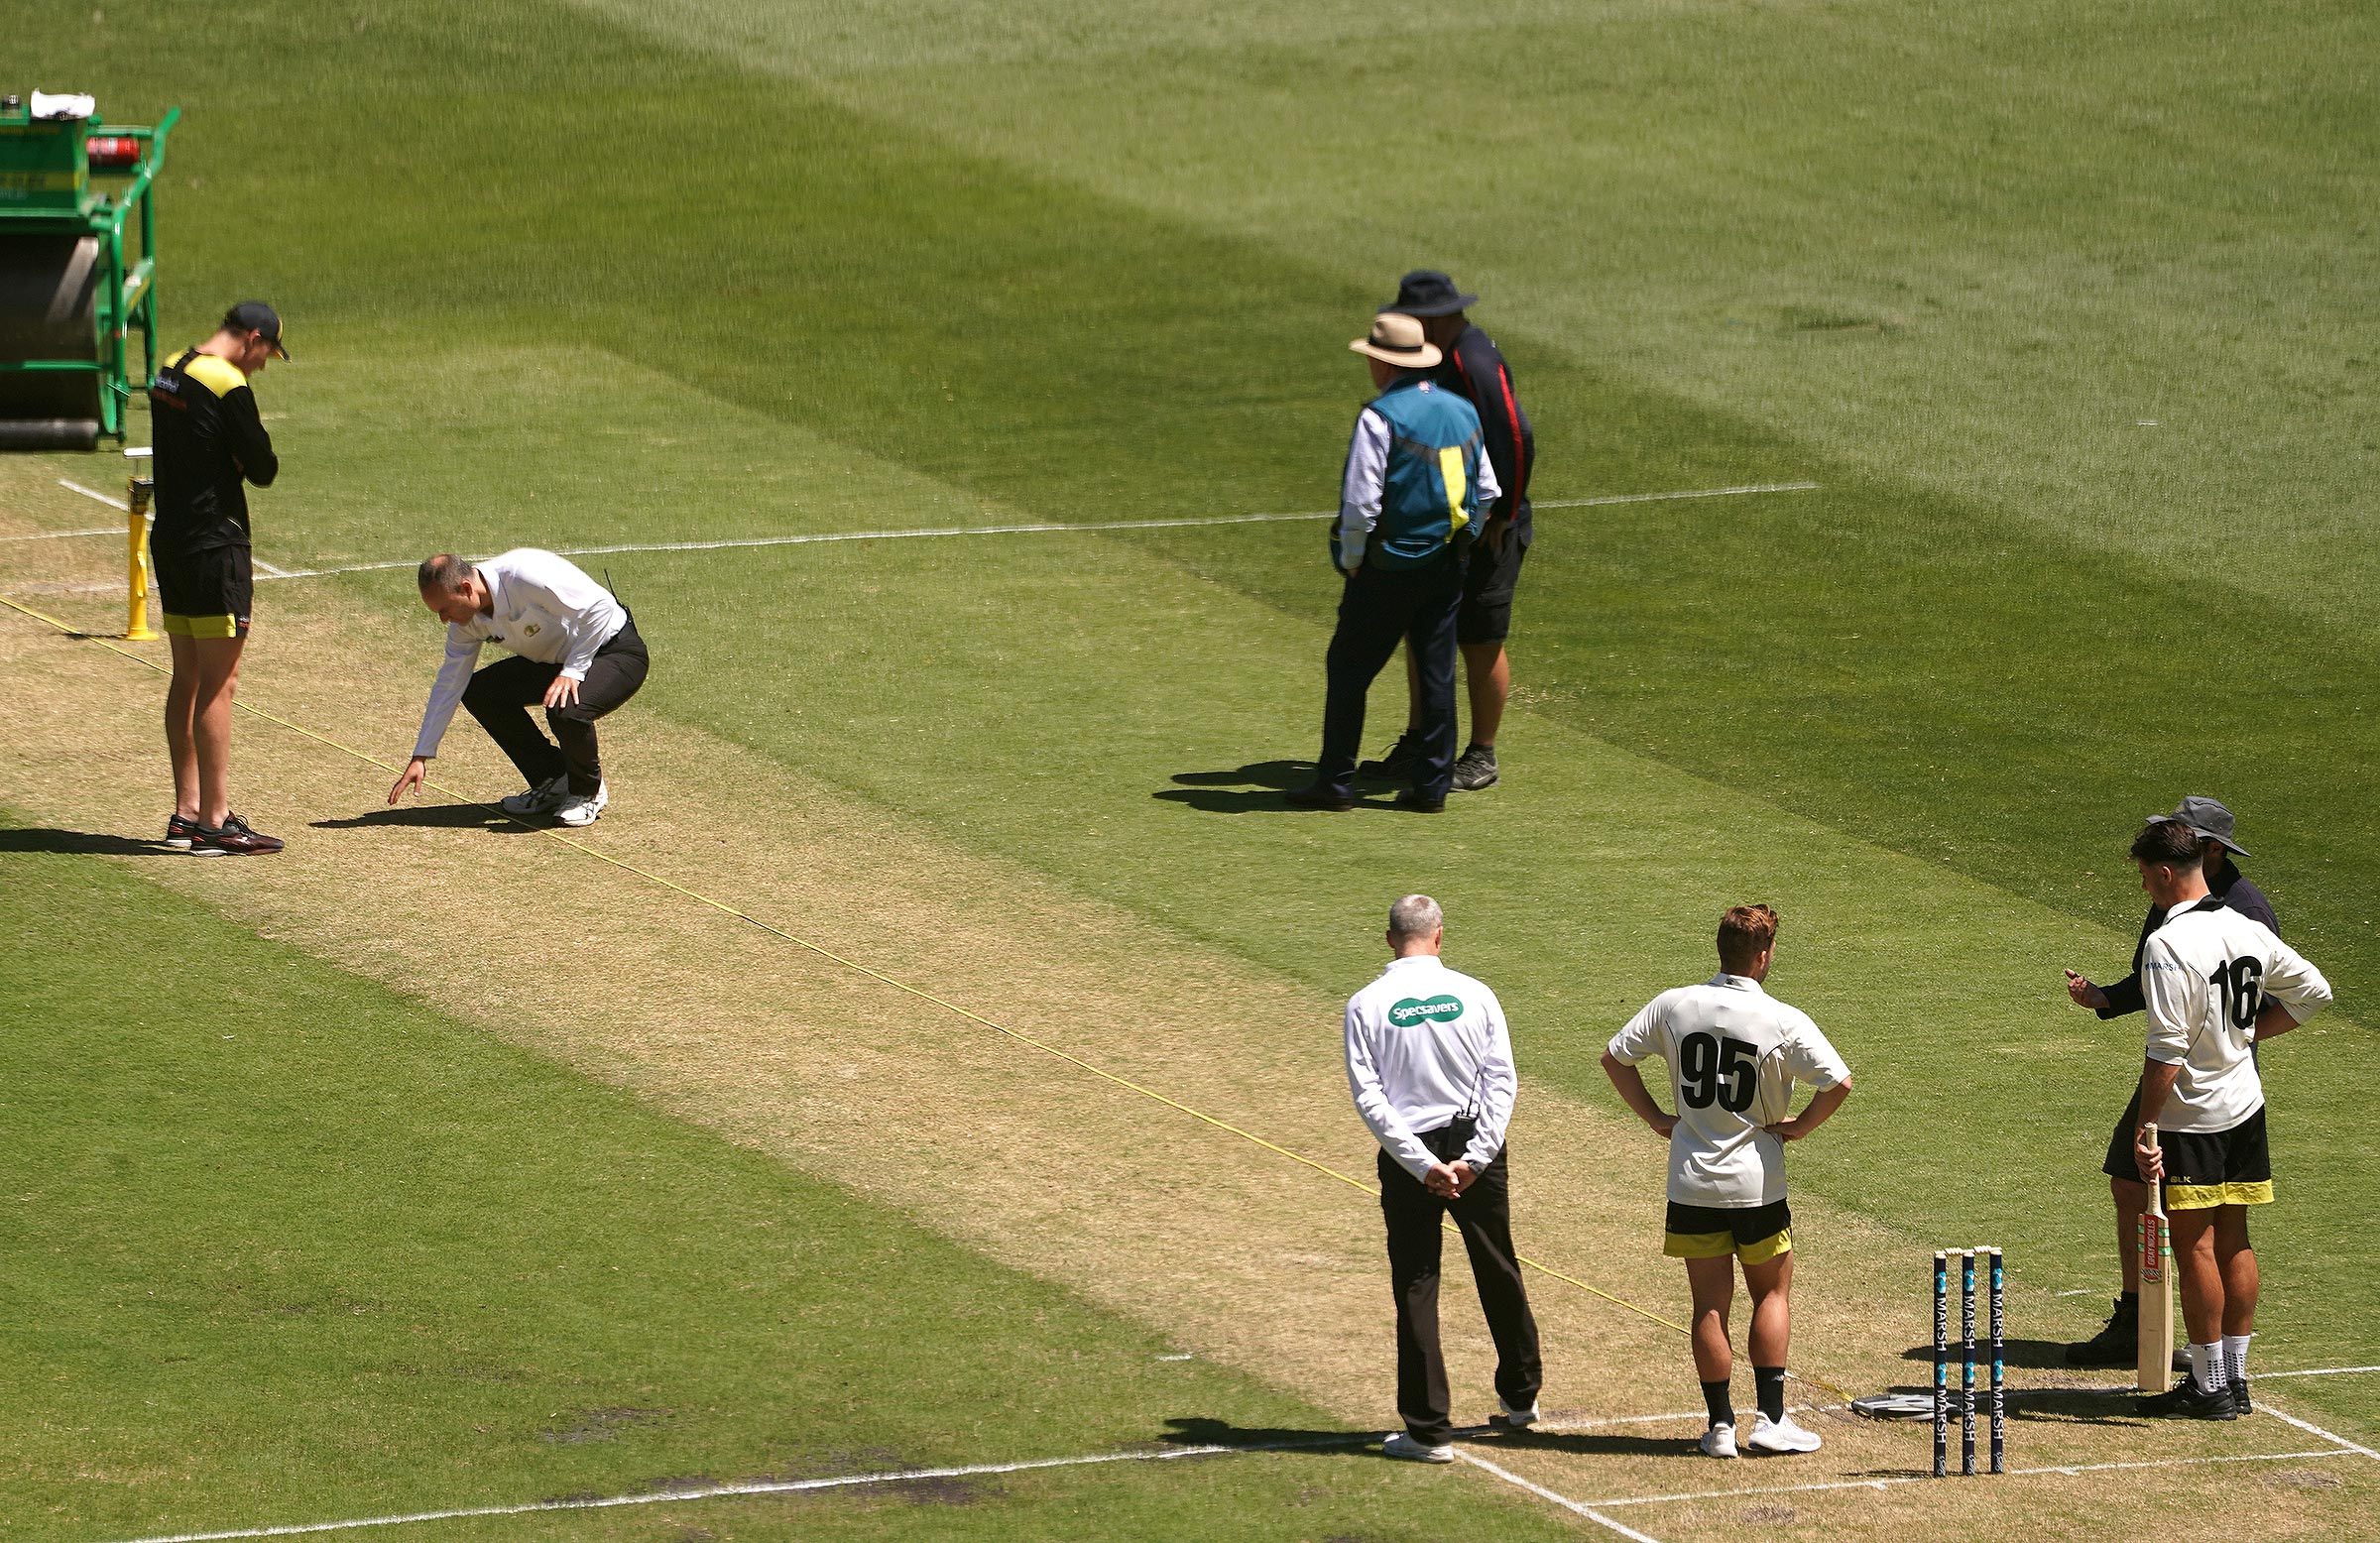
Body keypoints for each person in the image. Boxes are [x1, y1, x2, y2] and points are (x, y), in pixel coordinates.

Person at [1602, 904, 1851, 1460]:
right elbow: (1838, 1083)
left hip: (1690, 1184)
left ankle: (1719, 1428)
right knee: (1771, 1292)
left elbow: (1615, 1059)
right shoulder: (1784, 1019)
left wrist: (1655, 1117)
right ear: (1763, 956)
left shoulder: (1673, 1005)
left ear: (1720, 948)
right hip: (1758, 1184)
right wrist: (1800, 1128)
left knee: (1709, 1307)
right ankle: (1770, 1419)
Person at [2059, 797, 2281, 1367]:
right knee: (2137, 1187)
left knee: (2200, 1238)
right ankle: (2153, 1325)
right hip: (2215, 1085)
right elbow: (2158, 981)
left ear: (2205, 849)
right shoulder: (2179, 900)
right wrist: (2106, 998)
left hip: (2195, 1089)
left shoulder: (2241, 909)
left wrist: (2234, 1044)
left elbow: (2251, 1003)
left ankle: (2210, 1374)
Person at [2124, 819, 2329, 1419]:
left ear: (2165, 873)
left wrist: (2146, 1127)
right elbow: (2314, 992)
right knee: (2235, 1237)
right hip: (2247, 1106)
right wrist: (2243, 1039)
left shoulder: (2167, 944)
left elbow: (2167, 1048)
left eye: (2143, 876)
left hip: (2194, 1118)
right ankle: (2235, 1378)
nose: (2143, 888)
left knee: (2195, 1247)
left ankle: (2209, 1386)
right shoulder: (2242, 926)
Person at [1344, 893, 1542, 1462]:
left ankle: (1429, 1432)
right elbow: (1500, 1079)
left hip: (1413, 1159)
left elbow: (1371, 1099)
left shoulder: (1365, 1003)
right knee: (1497, 1262)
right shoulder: (1476, 994)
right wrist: (1475, 1158)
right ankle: (1521, 1398)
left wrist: (1421, 1164)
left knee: (1416, 1281)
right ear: (1438, 936)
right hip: (1474, 1146)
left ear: (1389, 939)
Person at [1288, 312, 1497, 814]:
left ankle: (1336, 782)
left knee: (1349, 668)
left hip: (1387, 566)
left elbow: (1361, 504)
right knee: (1436, 672)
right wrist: (1465, 539)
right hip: (1447, 565)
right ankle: (1431, 788)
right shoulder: (1462, 410)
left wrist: (1355, 560)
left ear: (1383, 364)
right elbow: (1488, 489)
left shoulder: (1379, 416)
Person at [1362, 270, 1535, 794]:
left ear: (1432, 319)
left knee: (1479, 637)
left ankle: (1481, 754)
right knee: (1426, 625)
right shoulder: (1446, 353)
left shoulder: (1471, 358)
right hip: (1452, 521)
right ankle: (1419, 741)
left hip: (1489, 523)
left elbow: (1515, 435)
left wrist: (1503, 514)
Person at [149, 301, 289, 857]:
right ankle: (215, 821)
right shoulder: (226, 382)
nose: (263, 365)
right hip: (215, 547)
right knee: (219, 683)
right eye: (266, 354)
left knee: (186, 675)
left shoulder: (171, 367)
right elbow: (264, 468)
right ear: (252, 338)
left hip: (173, 541)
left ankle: (185, 813)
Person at [388, 550, 651, 827]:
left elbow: (600, 609)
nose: (443, 619)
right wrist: (421, 754)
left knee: (565, 707)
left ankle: (588, 792)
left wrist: (573, 672)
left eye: (445, 609)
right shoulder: (466, 622)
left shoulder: (526, 574)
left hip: (614, 651)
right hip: (556, 661)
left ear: (466, 589)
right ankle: (555, 779)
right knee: (481, 692)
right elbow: (449, 682)